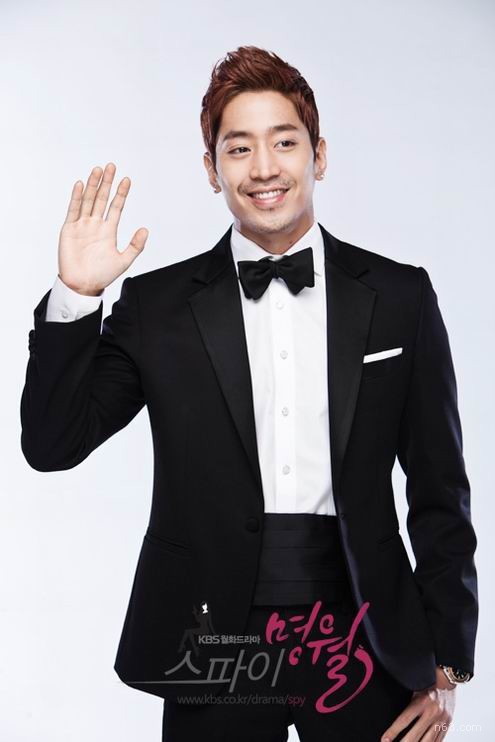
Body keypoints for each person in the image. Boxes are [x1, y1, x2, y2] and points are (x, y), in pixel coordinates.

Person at [20, 46, 478, 741]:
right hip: (210, 636)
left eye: (284, 142)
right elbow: (53, 444)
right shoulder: (158, 306)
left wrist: (447, 662)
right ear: (212, 170)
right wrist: (77, 296)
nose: (263, 168)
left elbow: (440, 493)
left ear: (319, 155)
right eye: (238, 148)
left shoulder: (400, 297)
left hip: (361, 628)